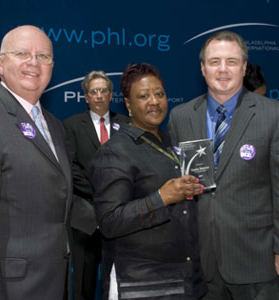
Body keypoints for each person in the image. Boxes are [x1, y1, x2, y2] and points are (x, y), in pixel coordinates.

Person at [168, 30, 279, 300]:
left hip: (256, 260)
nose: (223, 69)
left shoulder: (272, 114)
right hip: (200, 262)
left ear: (243, 67)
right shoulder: (180, 117)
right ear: (203, 68)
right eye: (215, 61)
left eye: (231, 61)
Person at [89, 63, 207, 300]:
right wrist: (161, 198)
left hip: (186, 280)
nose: (154, 101)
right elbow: (110, 221)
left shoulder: (171, 142)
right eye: (143, 96)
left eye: (159, 94)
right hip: (142, 285)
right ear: (129, 105)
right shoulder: (115, 151)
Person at [0, 25, 73, 300]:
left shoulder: (54, 126)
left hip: (55, 282)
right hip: (12, 289)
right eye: (22, 53)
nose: (34, 62)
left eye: (43, 56)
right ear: (1, 62)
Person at [63, 70, 129, 300]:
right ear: (86, 97)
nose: (99, 95)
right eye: (94, 91)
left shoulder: (127, 124)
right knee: (84, 280)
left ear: (111, 95)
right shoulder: (71, 125)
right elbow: (70, 167)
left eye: (103, 91)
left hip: (121, 216)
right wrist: (101, 193)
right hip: (86, 215)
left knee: (118, 281)